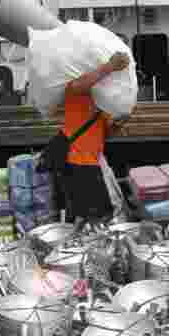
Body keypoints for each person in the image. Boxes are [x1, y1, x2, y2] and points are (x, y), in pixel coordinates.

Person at [56, 51, 131, 224]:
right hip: (77, 161)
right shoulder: (76, 88)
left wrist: (118, 125)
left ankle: (90, 244)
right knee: (91, 216)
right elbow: (78, 85)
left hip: (95, 160)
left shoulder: (102, 102)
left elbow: (106, 134)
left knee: (98, 215)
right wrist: (110, 66)